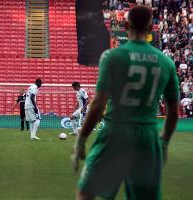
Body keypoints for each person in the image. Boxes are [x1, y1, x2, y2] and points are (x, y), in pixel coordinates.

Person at [71, 5, 179, 200]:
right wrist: (163, 143)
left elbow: (97, 104)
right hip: (147, 138)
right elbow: (173, 111)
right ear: (150, 28)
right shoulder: (166, 62)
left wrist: (81, 139)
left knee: (86, 194)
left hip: (116, 134)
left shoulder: (112, 57)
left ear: (126, 25)